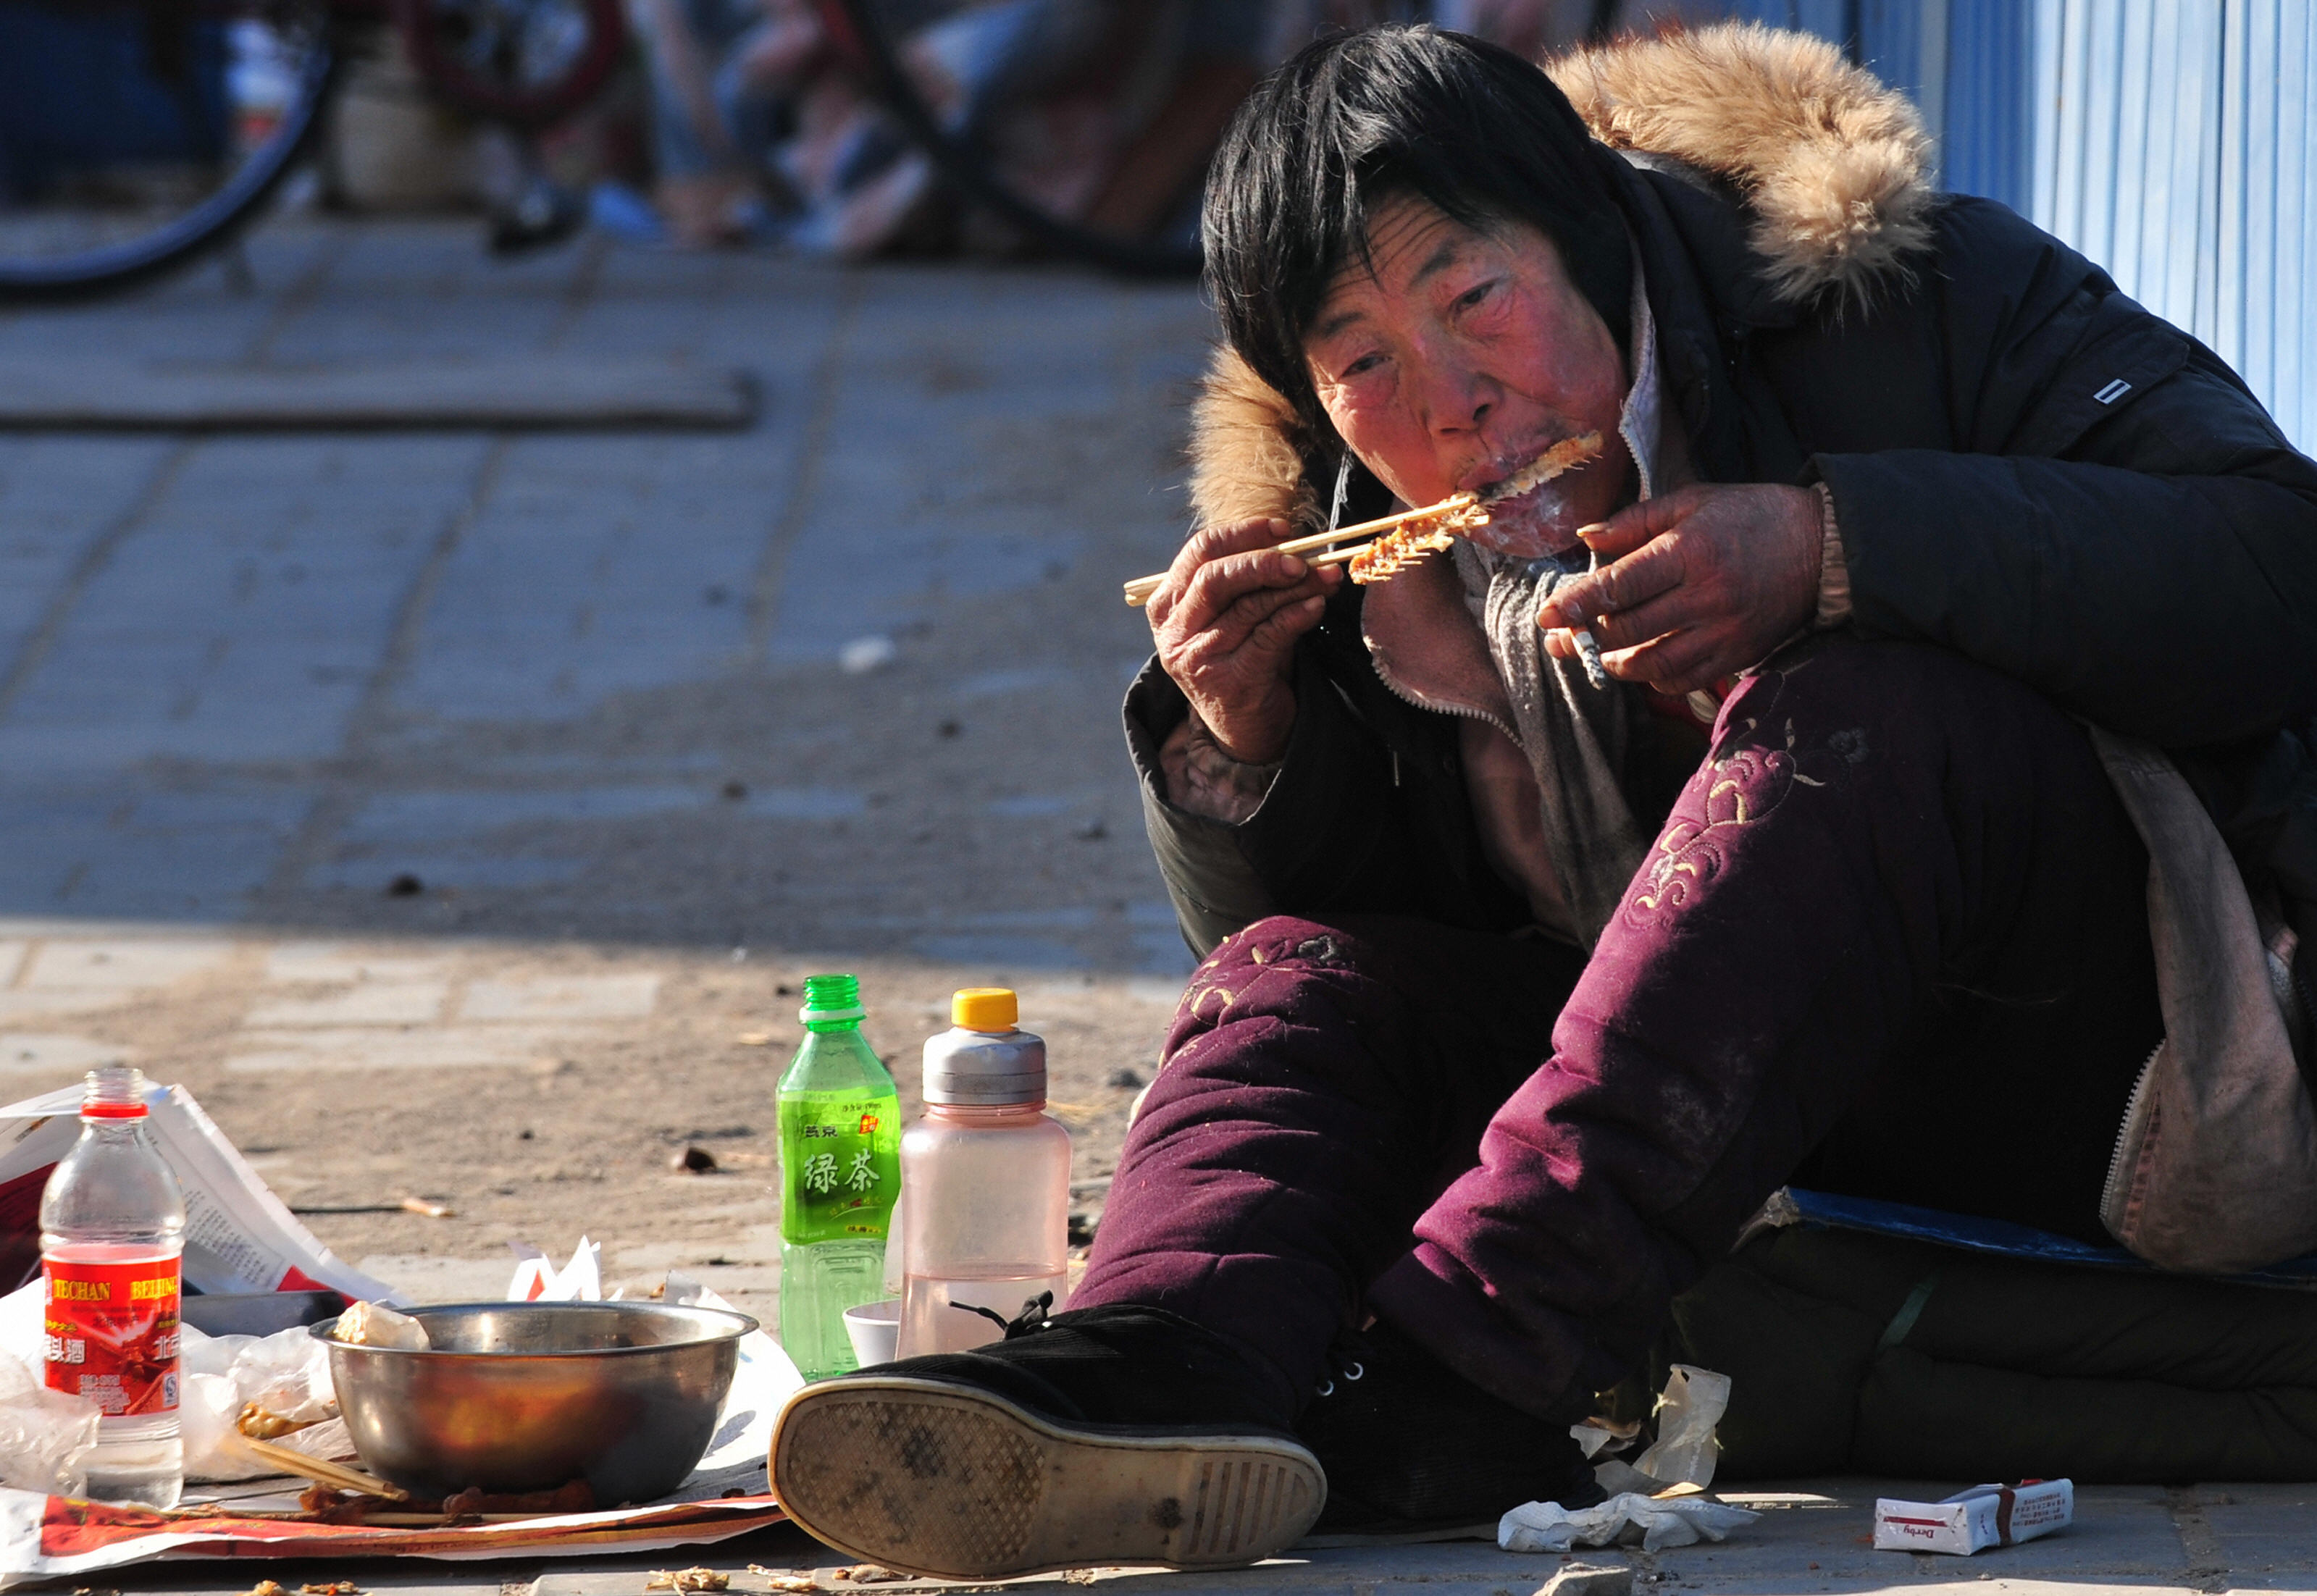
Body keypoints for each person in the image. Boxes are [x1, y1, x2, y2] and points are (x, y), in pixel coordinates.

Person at [769, 22, 2317, 1579]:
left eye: (1473, 303)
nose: (1446, 405)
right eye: (1361, 361)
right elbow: (1390, 948)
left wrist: (1840, 548)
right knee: (1291, 974)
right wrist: (1250, 745)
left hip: (2105, 1063)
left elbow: (2276, 567)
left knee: (1858, 712)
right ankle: (1156, 1369)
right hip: (1711, 1133)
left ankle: (1473, 1372)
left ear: (1590, 241)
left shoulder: (1915, 296)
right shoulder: (1349, 531)